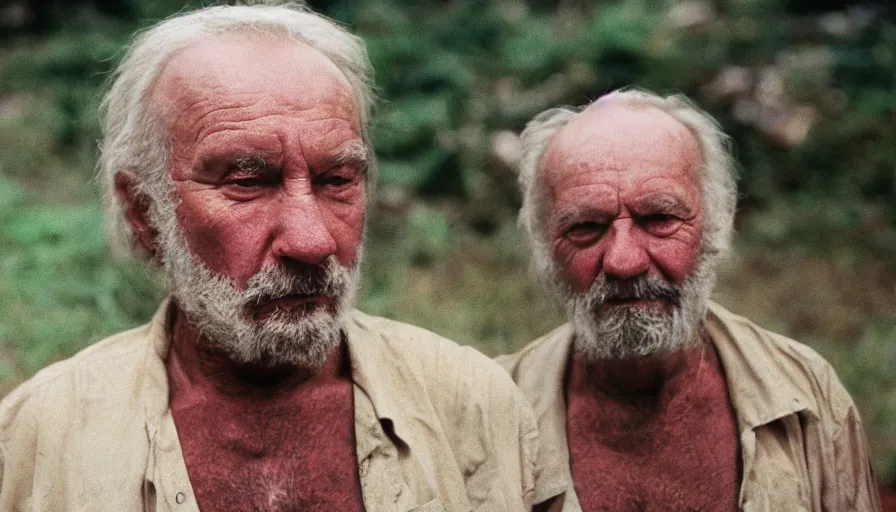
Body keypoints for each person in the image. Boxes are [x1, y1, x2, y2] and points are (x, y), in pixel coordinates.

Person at [0, 4, 538, 510]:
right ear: (145, 213)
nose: (313, 242)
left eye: (337, 180)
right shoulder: (41, 438)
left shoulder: (471, 406)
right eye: (248, 182)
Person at [498, 88, 881, 511]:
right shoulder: (486, 414)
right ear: (544, 244)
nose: (624, 262)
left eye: (660, 218)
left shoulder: (808, 398)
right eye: (586, 226)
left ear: (716, 222)